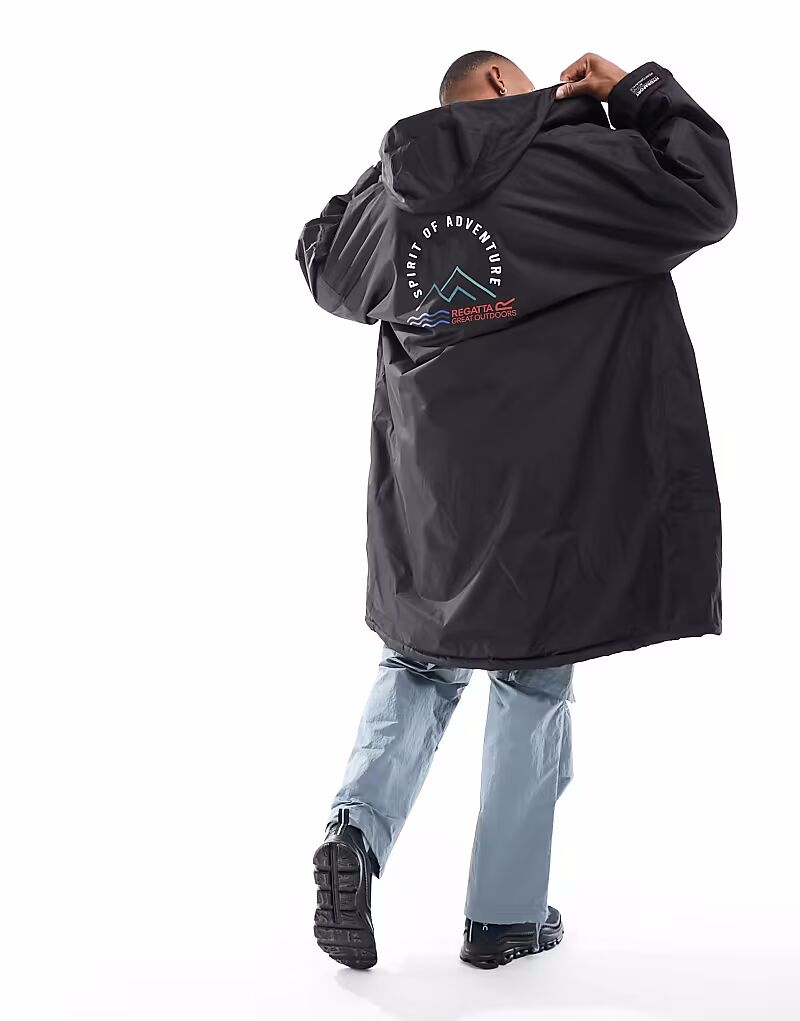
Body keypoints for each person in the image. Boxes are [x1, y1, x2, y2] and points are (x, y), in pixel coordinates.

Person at [296, 51, 736, 970]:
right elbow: (703, 195)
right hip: (549, 494)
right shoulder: (574, 165)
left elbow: (321, 256)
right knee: (531, 677)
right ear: (501, 84)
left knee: (417, 662)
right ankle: (502, 918)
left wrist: (399, 163)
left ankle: (353, 834)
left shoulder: (395, 202)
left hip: (435, 499)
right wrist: (633, 91)